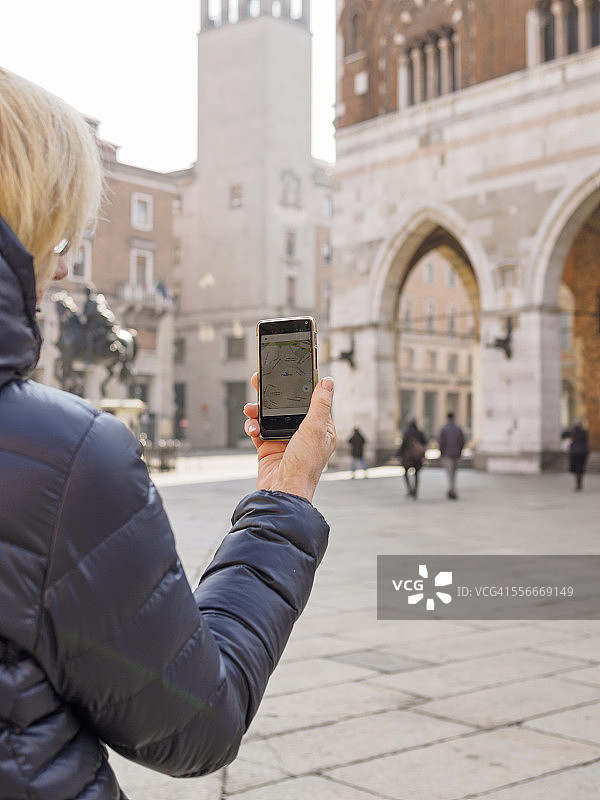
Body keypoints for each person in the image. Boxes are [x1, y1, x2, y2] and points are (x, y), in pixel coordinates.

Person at [0, 68, 337, 800]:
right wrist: (284, 500)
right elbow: (194, 722)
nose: (63, 266)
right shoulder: (64, 460)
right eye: (60, 234)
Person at [397, 416, 427, 499]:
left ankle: (409, 489)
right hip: (417, 457)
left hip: (408, 457)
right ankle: (415, 490)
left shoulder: (407, 432)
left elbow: (403, 445)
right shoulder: (419, 432)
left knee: (405, 473)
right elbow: (424, 443)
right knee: (416, 474)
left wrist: (398, 454)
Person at [438, 411, 465, 500]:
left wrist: (442, 453)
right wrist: (460, 451)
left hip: (447, 454)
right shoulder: (458, 428)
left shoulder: (444, 429)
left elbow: (441, 442)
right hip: (456, 454)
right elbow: (462, 441)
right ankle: (452, 489)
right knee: (454, 472)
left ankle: (452, 489)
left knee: (450, 473)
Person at [568, 420, 589, 491]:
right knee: (580, 468)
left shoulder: (573, 432)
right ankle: (579, 483)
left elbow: (566, 437)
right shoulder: (584, 432)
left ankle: (578, 484)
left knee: (577, 469)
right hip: (583, 452)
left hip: (575, 452)